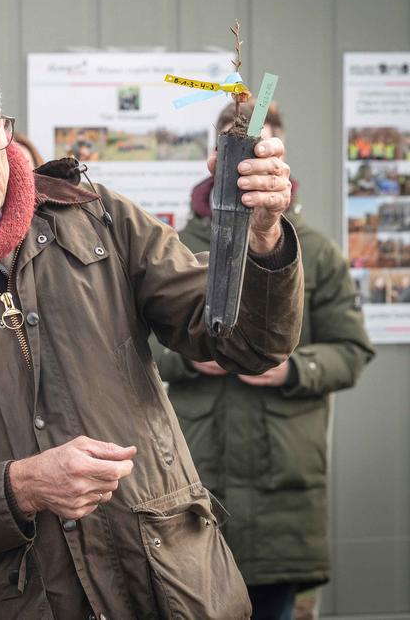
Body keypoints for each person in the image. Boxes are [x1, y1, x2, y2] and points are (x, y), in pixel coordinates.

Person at [0, 44, 303, 619]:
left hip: (172, 589)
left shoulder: (95, 217)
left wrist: (264, 237)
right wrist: (19, 488)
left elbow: (245, 343)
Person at [154, 101, 375, 620]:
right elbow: (134, 347)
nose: (251, 164)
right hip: (196, 481)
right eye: (240, 151)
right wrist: (187, 359)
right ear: (217, 157)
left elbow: (352, 350)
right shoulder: (174, 248)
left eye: (264, 149)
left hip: (283, 486)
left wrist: (293, 366)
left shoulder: (314, 251)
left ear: (279, 156)